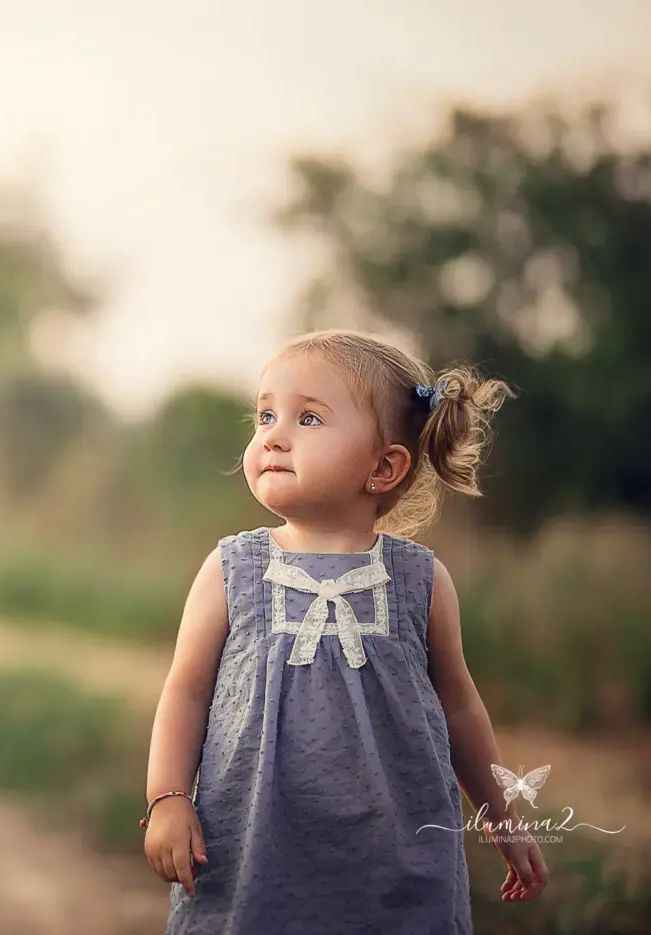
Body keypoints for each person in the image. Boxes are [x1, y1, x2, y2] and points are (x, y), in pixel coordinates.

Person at [144, 329, 549, 934]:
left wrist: (501, 815)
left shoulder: (421, 580)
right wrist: (168, 798)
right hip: (256, 842)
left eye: (308, 418)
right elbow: (186, 691)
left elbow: (460, 708)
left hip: (393, 847)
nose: (273, 435)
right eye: (265, 415)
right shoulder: (233, 569)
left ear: (384, 466)